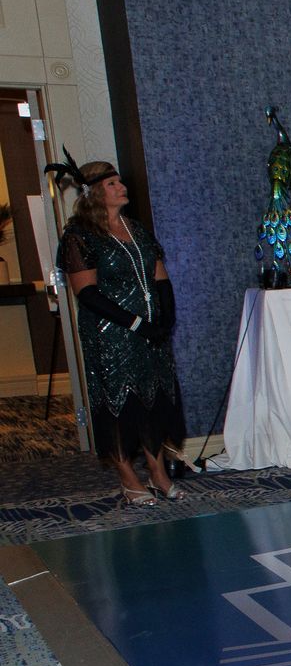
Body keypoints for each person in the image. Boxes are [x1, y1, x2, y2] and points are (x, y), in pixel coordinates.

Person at [56, 161, 186, 506]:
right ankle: (128, 479)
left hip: (149, 333)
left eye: (120, 181)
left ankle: (158, 473)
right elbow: (87, 292)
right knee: (120, 405)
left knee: (154, 401)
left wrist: (165, 320)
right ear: (95, 192)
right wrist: (134, 324)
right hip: (110, 333)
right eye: (112, 183)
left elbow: (160, 277)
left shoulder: (137, 230)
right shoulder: (79, 235)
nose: (121, 187)